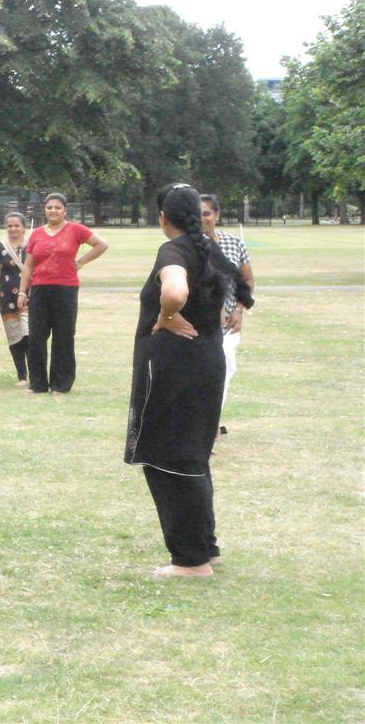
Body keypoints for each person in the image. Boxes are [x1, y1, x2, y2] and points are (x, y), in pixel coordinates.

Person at [124, 183, 253, 577]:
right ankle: (205, 549)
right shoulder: (208, 248)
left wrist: (164, 316)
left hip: (176, 370)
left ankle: (191, 561)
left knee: (168, 459)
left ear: (163, 216)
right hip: (205, 363)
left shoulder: (174, 249)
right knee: (194, 457)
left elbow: (176, 291)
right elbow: (242, 287)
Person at [20, 193, 108, 393]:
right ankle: (38, 384)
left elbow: (101, 244)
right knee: (36, 337)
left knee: (64, 336)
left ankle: (61, 384)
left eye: (57, 208)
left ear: (65, 210)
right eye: (49, 207)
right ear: (45, 209)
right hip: (40, 289)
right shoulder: (37, 234)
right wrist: (22, 293)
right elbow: (28, 265)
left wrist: (80, 263)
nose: (53, 211)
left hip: (65, 289)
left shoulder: (75, 230)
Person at [200, 194, 254, 423]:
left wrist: (239, 310)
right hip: (199, 323)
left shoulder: (234, 243)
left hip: (228, 325)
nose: (202, 219)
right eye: (197, 214)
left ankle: (211, 421)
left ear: (217, 215)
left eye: (207, 213)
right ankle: (204, 425)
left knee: (224, 372)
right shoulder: (186, 247)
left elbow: (247, 281)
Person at [0, 212, 30, 386]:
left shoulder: (32, 245)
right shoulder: (0, 247)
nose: (13, 229)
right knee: (15, 337)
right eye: (10, 225)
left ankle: (34, 371)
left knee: (29, 335)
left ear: (23, 227)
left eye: (17, 225)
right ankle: (21, 375)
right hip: (7, 298)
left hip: (29, 297)